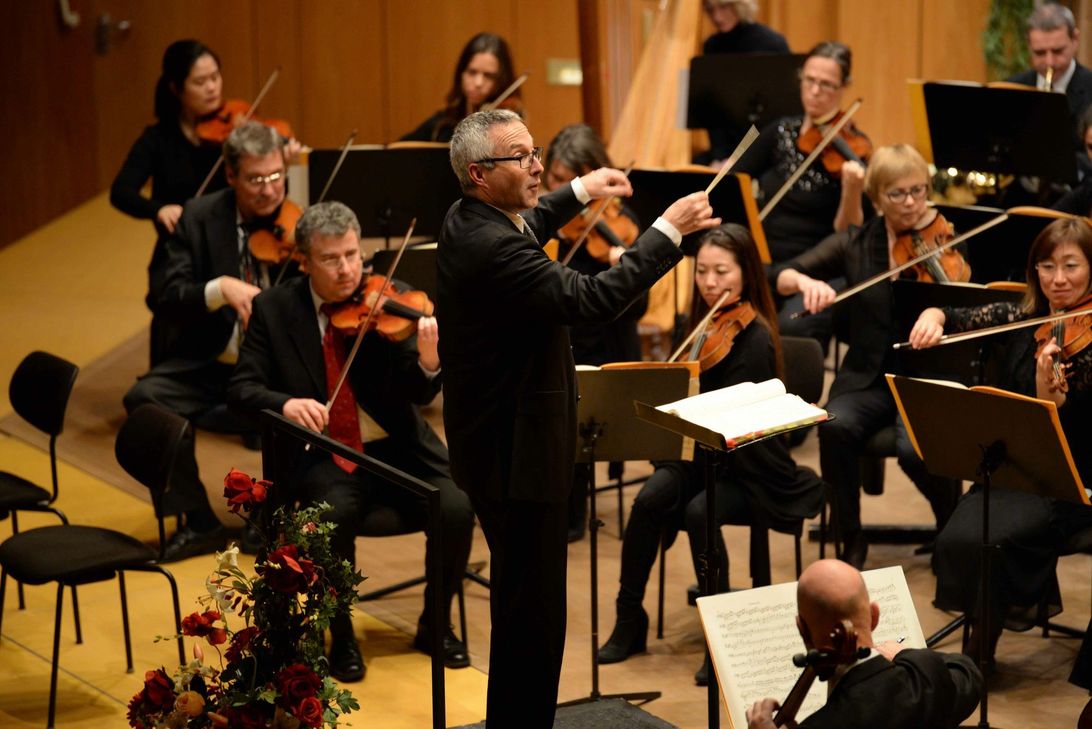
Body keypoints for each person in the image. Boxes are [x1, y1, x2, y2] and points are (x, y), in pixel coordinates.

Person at [437, 108, 718, 728]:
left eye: (536, 152)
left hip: (499, 448)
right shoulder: (491, 247)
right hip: (516, 459)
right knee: (532, 620)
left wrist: (582, 190)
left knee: (524, 611)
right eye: (523, 158)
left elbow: (529, 219)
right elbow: (590, 300)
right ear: (480, 174)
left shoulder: (470, 218)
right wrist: (667, 232)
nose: (537, 166)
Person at [227, 200, 474, 683]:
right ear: (304, 260)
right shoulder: (273, 310)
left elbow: (418, 389)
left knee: (457, 507)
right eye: (332, 259)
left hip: (396, 447)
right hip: (324, 453)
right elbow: (241, 389)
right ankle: (339, 634)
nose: (347, 270)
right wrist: (285, 404)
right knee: (332, 517)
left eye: (353, 255)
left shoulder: (390, 301)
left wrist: (428, 360)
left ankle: (434, 623)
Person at [596, 224, 825, 686]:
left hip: (747, 466)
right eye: (702, 271)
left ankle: (718, 635)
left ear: (745, 274)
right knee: (648, 502)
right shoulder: (699, 323)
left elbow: (747, 430)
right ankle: (629, 618)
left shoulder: (755, 338)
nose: (710, 282)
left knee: (701, 511)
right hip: (697, 457)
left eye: (722, 271)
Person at [908, 216, 1092, 671]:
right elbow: (958, 316)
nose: (1058, 279)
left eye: (1071, 266)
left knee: (993, 541)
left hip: (1071, 475)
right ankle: (979, 639)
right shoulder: (1030, 312)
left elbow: (1071, 424)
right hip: (1013, 466)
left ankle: (977, 657)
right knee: (960, 536)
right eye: (1047, 267)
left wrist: (1051, 395)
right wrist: (932, 315)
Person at [773, 144, 963, 569]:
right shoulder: (856, 243)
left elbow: (969, 303)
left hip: (925, 378)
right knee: (834, 427)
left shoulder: (946, 237)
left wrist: (941, 313)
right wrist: (806, 282)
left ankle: (949, 525)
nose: (912, 202)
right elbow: (779, 275)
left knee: (916, 451)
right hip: (866, 378)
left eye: (918, 190)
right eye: (898, 194)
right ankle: (850, 537)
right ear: (876, 198)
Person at [123, 122, 296, 563]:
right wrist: (221, 288)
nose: (269, 189)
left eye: (277, 175)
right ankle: (199, 520)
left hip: (271, 370)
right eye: (256, 179)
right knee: (146, 399)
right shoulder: (198, 218)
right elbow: (165, 293)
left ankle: (277, 517)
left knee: (303, 410)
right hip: (211, 362)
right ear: (231, 177)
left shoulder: (299, 224)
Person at [542, 123, 647, 541]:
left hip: (608, 343)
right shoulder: (545, 222)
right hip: (564, 341)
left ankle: (574, 499)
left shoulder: (623, 224)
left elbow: (640, 309)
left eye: (577, 180)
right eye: (556, 181)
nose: (569, 193)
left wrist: (627, 272)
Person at [735, 41, 870, 349]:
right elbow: (735, 178)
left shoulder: (855, 150)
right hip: (766, 261)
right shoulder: (780, 131)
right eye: (809, 80)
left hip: (816, 267)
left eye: (826, 84)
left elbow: (847, 233)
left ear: (844, 87)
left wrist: (852, 189)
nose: (815, 91)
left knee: (791, 331)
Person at [745, 559, 982, 728]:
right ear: (874, 617)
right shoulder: (926, 684)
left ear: (802, 630)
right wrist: (905, 654)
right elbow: (967, 671)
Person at [110, 40, 227, 237]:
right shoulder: (157, 139)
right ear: (175, 88)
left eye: (215, 77)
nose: (212, 87)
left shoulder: (233, 131)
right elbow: (121, 192)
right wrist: (158, 210)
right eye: (200, 82)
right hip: (180, 245)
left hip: (227, 239)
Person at [699, 0, 790, 166]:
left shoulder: (772, 44)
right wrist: (718, 157)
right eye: (710, 10)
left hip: (765, 147)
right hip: (726, 150)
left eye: (724, 7)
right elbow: (713, 111)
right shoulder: (711, 46)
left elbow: (776, 114)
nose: (717, 17)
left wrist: (741, 159)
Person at [401, 32, 520, 143]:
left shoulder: (507, 127)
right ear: (461, 74)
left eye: (488, 76)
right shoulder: (442, 126)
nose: (478, 83)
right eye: (472, 72)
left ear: (502, 79)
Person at [1007, 2, 1092, 152]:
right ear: (1029, 46)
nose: (1049, 62)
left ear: (1075, 40)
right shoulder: (1011, 87)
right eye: (1040, 53)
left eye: (1058, 51)